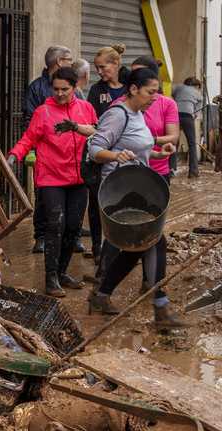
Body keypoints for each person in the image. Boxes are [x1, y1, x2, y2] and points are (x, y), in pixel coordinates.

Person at [87, 67, 185, 327]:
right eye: (151, 92)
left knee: (137, 247)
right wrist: (115, 155)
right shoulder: (117, 114)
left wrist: (157, 152)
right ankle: (160, 307)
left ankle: (102, 293)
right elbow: (95, 148)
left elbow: (136, 147)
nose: (155, 97)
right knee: (152, 241)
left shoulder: (139, 113)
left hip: (137, 188)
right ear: (133, 89)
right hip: (119, 192)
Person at [7, 67, 97, 296]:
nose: (59, 94)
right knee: (55, 225)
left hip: (79, 178)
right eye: (55, 89)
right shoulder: (43, 112)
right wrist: (14, 155)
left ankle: (62, 272)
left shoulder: (86, 108)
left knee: (73, 227)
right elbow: (28, 138)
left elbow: (99, 133)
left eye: (64, 89)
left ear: (75, 87)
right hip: (50, 177)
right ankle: (51, 278)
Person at [25, 46, 76, 255]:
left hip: (68, 155)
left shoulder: (74, 88)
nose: (60, 93)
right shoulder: (37, 88)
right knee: (43, 197)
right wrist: (33, 149)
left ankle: (68, 236)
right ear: (59, 62)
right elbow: (30, 119)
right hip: (46, 153)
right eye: (69, 60)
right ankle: (41, 236)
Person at [84, 44, 130, 266]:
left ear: (116, 64)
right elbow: (93, 121)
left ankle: (122, 244)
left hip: (127, 153)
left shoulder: (131, 84)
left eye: (103, 67)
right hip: (102, 152)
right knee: (96, 202)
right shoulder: (96, 90)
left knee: (123, 200)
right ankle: (97, 246)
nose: (100, 72)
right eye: (97, 68)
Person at [173, 77, 203, 178]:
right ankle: (193, 172)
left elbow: (173, 95)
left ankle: (171, 170)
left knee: (174, 142)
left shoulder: (178, 87)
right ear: (195, 85)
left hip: (175, 115)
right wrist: (194, 115)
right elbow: (199, 105)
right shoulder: (197, 92)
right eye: (198, 87)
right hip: (187, 116)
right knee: (191, 144)